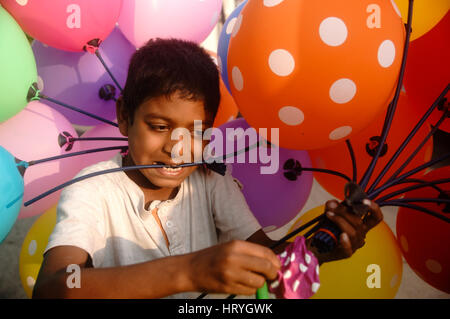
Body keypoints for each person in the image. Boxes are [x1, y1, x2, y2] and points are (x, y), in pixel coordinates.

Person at [32, 38, 383, 299]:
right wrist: (188, 271)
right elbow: (54, 287)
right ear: (125, 116)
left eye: (196, 133)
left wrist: (318, 247)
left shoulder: (211, 180)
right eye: (158, 126)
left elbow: (269, 262)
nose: (177, 148)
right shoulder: (92, 191)